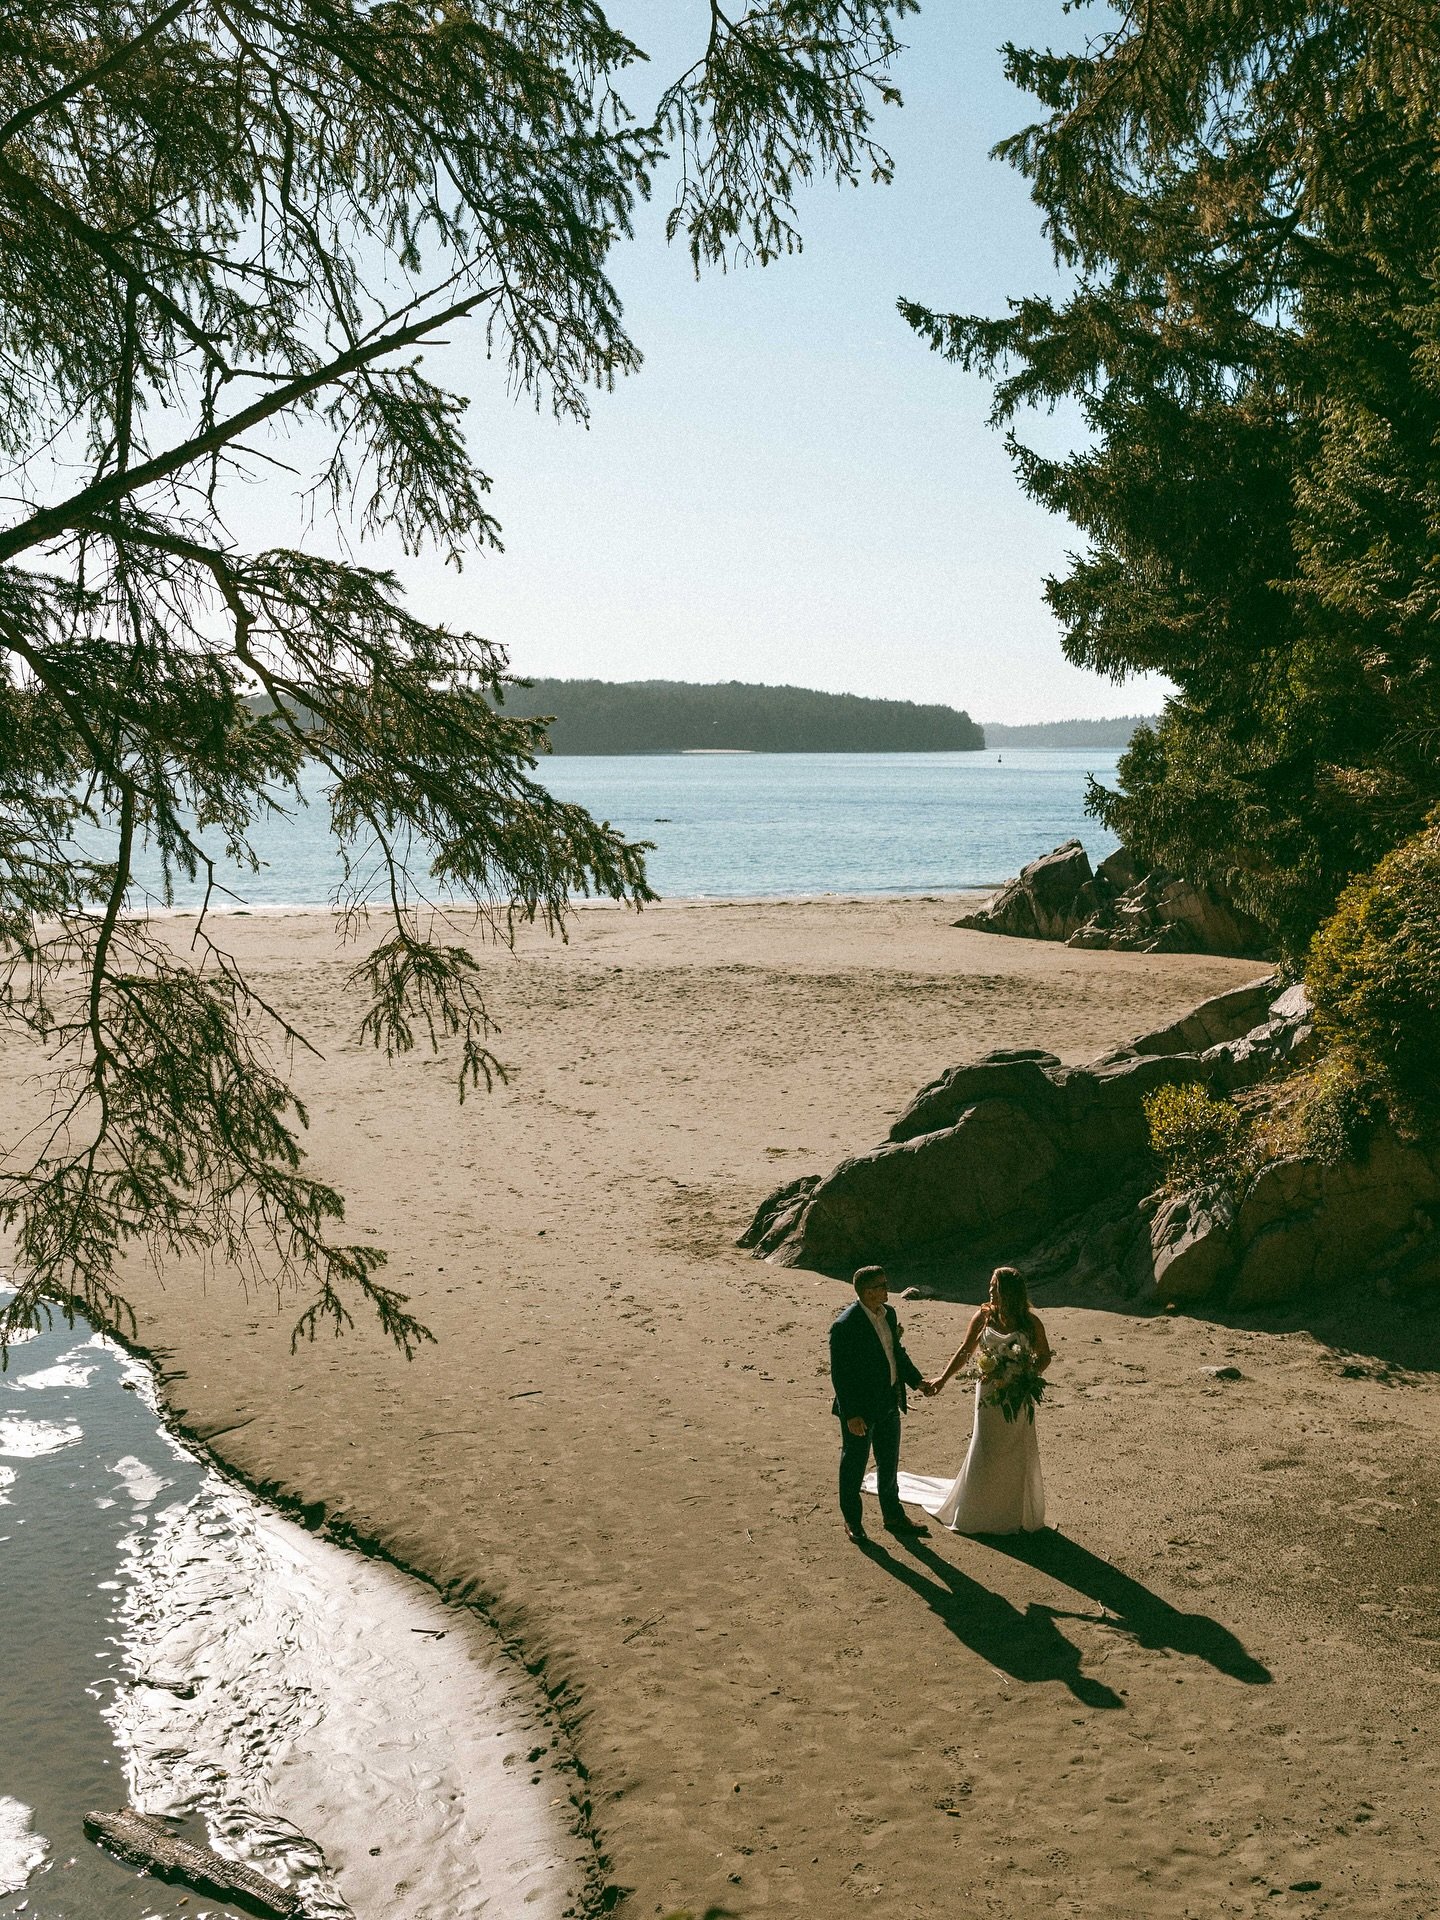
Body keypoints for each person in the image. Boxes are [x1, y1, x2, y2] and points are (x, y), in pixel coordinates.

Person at [881, 1265, 1051, 1535]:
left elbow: (1044, 1355)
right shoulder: (983, 1317)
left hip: (1018, 1395)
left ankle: (1012, 1513)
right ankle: (980, 1509)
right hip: (989, 1395)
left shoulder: (1030, 1322)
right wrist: (942, 1379)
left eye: (995, 1288)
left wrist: (1026, 1376)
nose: (990, 1291)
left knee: (1017, 1448)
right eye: (991, 1287)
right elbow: (965, 1352)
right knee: (987, 1446)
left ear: (1010, 1292)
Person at [828, 1265, 933, 1544]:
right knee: (854, 1464)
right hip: (860, 1410)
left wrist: (918, 1382)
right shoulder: (845, 1326)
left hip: (888, 1400)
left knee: (889, 1463)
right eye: (882, 1284)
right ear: (867, 1291)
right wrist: (851, 1415)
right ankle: (852, 1520)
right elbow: (840, 1375)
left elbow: (896, 1353)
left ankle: (893, 1516)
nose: (888, 1288)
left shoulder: (889, 1314)